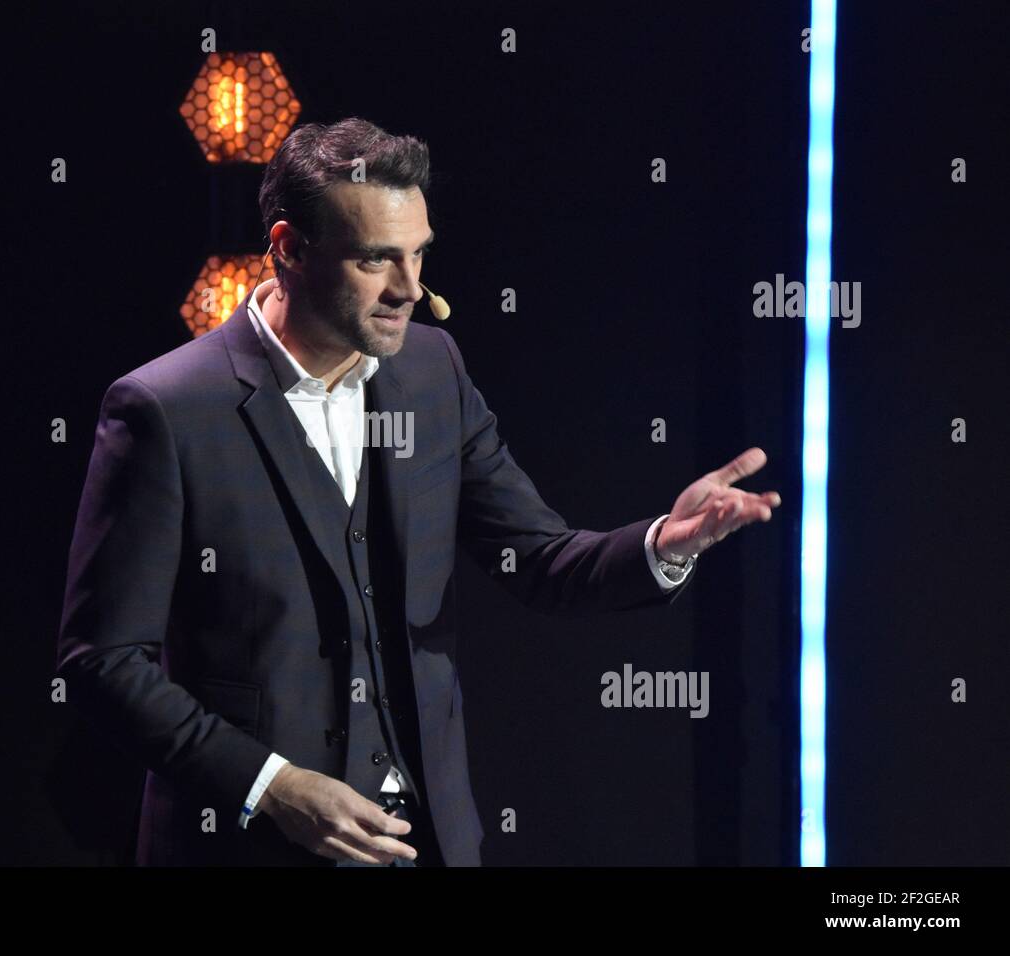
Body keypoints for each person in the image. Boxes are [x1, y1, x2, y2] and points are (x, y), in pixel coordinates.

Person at [55, 117, 781, 867]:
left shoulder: (434, 373)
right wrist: (272, 785)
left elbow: (537, 558)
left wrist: (665, 543)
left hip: (427, 845)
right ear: (289, 248)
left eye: (419, 254)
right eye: (377, 260)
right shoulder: (167, 410)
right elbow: (102, 661)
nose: (411, 290)